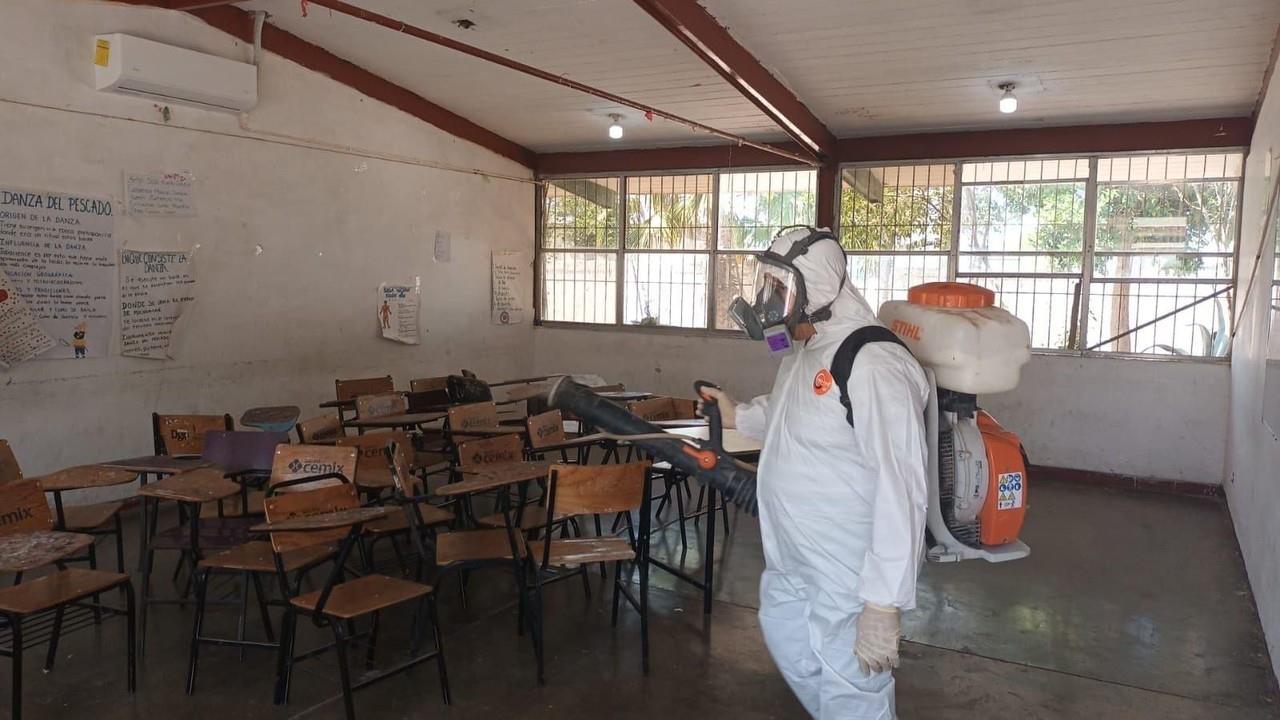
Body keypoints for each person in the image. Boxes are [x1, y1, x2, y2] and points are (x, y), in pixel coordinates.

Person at [702, 226, 930, 719]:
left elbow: (902, 487)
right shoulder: (808, 348)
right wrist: (737, 413)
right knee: (791, 638)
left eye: (779, 289)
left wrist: (884, 602)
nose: (766, 301)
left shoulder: (873, 360)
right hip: (794, 554)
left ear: (818, 288)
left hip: (845, 564)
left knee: (852, 682)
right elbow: (790, 411)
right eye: (767, 285)